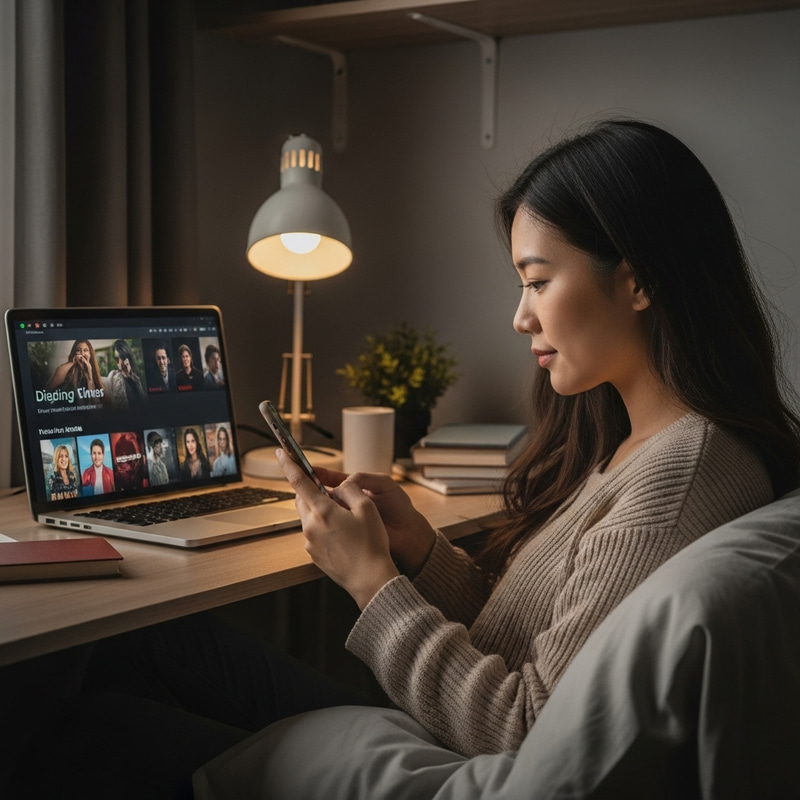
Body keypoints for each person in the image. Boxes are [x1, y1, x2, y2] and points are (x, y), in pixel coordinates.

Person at [12, 119, 800, 798]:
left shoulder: (678, 476)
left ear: (637, 283)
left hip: (453, 750)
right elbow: (533, 641)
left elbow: (526, 727)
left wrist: (370, 580)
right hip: (439, 725)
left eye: (537, 281)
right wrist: (418, 550)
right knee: (144, 644)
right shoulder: (648, 444)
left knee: (87, 726)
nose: (520, 316)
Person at [44, 339, 107, 408]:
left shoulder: (95, 378)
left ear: (90, 355)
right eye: (78, 350)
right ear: (74, 354)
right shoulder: (66, 370)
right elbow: (46, 391)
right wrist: (73, 363)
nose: (82, 354)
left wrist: (89, 378)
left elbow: (96, 407)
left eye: (85, 350)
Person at [106, 339, 146, 411]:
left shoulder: (136, 378)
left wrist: (130, 374)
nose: (118, 362)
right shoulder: (113, 376)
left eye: (120, 358)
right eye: (116, 359)